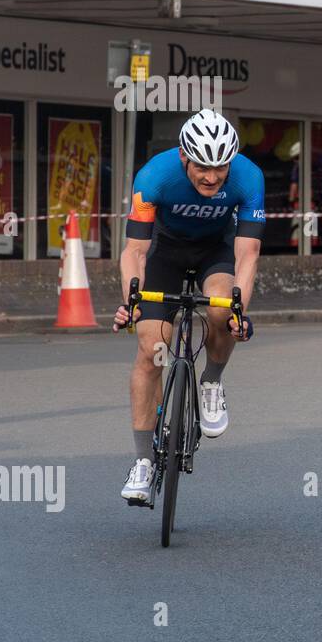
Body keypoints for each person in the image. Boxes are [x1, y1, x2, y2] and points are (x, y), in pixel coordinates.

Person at [113, 109, 264, 506]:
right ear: (184, 156)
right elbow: (136, 251)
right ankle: (143, 463)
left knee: (220, 310)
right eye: (202, 166)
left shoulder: (249, 177)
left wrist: (238, 313)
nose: (212, 177)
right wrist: (131, 300)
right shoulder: (154, 177)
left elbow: (247, 254)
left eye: (219, 167)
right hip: (164, 253)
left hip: (217, 252)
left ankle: (211, 381)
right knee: (151, 350)